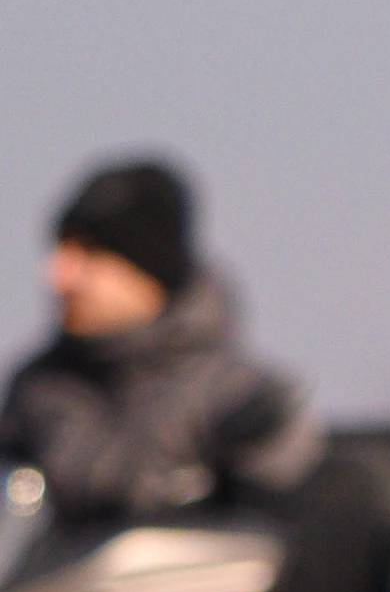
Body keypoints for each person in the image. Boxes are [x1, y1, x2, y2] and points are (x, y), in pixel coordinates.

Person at [3, 158, 322, 525]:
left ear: (148, 269)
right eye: (60, 252)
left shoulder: (241, 401)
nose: (59, 277)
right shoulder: (34, 393)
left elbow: (286, 542)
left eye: (89, 254)